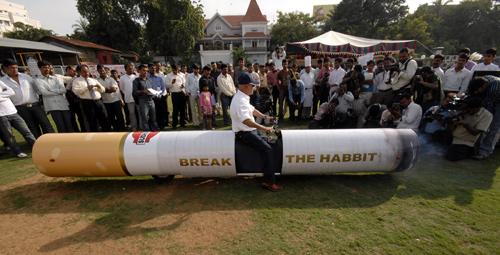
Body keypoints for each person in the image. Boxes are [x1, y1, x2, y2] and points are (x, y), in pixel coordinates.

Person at [230, 72, 281, 191]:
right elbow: (246, 121)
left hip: (250, 131)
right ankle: (269, 182)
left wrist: (265, 117)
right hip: (245, 134)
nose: (254, 87)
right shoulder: (240, 100)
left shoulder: (242, 97)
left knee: (274, 139)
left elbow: (252, 110)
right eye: (253, 85)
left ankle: (267, 176)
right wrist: (264, 128)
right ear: (246, 86)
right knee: (268, 149)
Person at [1, 58, 54, 138]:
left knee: (45, 123)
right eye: (12, 68)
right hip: (20, 108)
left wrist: (42, 102)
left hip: (35, 105)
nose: (15, 69)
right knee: (31, 126)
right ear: (5, 69)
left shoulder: (26, 77)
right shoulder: (2, 81)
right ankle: (37, 144)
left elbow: (37, 89)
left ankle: (52, 140)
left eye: (16, 67)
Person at [34, 60, 74, 133]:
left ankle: (73, 141)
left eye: (48, 67)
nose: (47, 69)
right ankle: (63, 141)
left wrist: (50, 90)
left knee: (69, 124)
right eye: (44, 67)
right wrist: (57, 91)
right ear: (39, 68)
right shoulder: (37, 80)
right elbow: (44, 93)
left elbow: (63, 90)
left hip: (63, 104)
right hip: (52, 106)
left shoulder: (57, 78)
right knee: (60, 125)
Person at [0, 79, 36, 158]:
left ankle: (37, 147)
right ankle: (18, 152)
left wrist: (1, 96)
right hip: (1, 116)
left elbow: (11, 92)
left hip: (13, 111)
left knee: (26, 131)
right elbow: (8, 93)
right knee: (9, 136)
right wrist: (5, 95)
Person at [468, 77, 500, 160]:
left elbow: (486, 110)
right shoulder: (482, 80)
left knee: (494, 127)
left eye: (477, 91)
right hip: (493, 99)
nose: (477, 93)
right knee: (484, 123)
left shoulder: (494, 89)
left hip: (498, 102)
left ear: (482, 87)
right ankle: (477, 147)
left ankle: (484, 151)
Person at [72, 65, 110, 132]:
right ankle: (95, 136)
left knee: (104, 117)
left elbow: (103, 90)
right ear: (80, 72)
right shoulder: (76, 81)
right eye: (84, 72)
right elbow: (76, 91)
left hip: (98, 101)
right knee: (92, 120)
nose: (86, 73)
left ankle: (107, 133)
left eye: (87, 71)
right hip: (87, 103)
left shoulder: (93, 80)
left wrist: (99, 87)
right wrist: (86, 88)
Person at [97, 65, 125, 131]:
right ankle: (116, 129)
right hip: (106, 102)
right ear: (98, 71)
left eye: (103, 70)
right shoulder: (97, 81)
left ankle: (122, 129)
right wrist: (107, 90)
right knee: (110, 117)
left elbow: (114, 89)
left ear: (105, 71)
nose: (102, 72)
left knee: (119, 116)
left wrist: (104, 90)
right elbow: (98, 91)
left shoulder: (111, 79)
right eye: (100, 71)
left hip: (115, 100)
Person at [133, 64, 158, 131]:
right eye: (144, 70)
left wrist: (155, 92)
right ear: (139, 71)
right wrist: (143, 91)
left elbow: (152, 89)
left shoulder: (149, 80)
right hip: (143, 101)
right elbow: (134, 92)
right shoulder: (136, 81)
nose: (145, 72)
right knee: (145, 119)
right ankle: (146, 134)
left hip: (151, 100)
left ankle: (154, 132)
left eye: (146, 71)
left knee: (153, 118)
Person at [64, 65, 84, 132]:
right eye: (72, 70)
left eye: (74, 70)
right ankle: (76, 132)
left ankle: (84, 130)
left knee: (81, 117)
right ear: (67, 71)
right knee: (72, 119)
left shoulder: (77, 78)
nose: (74, 71)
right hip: (69, 103)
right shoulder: (63, 79)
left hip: (78, 102)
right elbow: (67, 90)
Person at [166, 64, 187, 129]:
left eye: (177, 69)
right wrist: (171, 83)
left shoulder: (181, 75)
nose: (176, 71)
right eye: (175, 70)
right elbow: (167, 86)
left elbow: (185, 83)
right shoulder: (169, 76)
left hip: (181, 93)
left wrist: (183, 85)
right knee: (175, 109)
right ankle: (174, 124)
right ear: (172, 69)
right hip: (174, 94)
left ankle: (182, 123)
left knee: (182, 109)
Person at [119, 63, 139, 131]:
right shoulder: (122, 78)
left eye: (132, 68)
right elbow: (122, 88)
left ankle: (142, 126)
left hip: (138, 98)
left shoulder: (136, 77)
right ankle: (134, 127)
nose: (131, 69)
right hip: (129, 99)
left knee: (139, 112)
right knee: (132, 114)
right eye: (130, 68)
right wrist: (128, 93)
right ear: (126, 69)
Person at [148, 64, 168, 130]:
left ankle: (161, 125)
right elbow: (148, 88)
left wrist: (159, 94)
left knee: (161, 112)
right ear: (149, 69)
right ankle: (154, 126)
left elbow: (163, 87)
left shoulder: (159, 78)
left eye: (154, 68)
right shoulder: (147, 78)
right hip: (151, 98)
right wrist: (154, 94)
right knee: (153, 113)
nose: (153, 69)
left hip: (159, 98)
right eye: (152, 68)